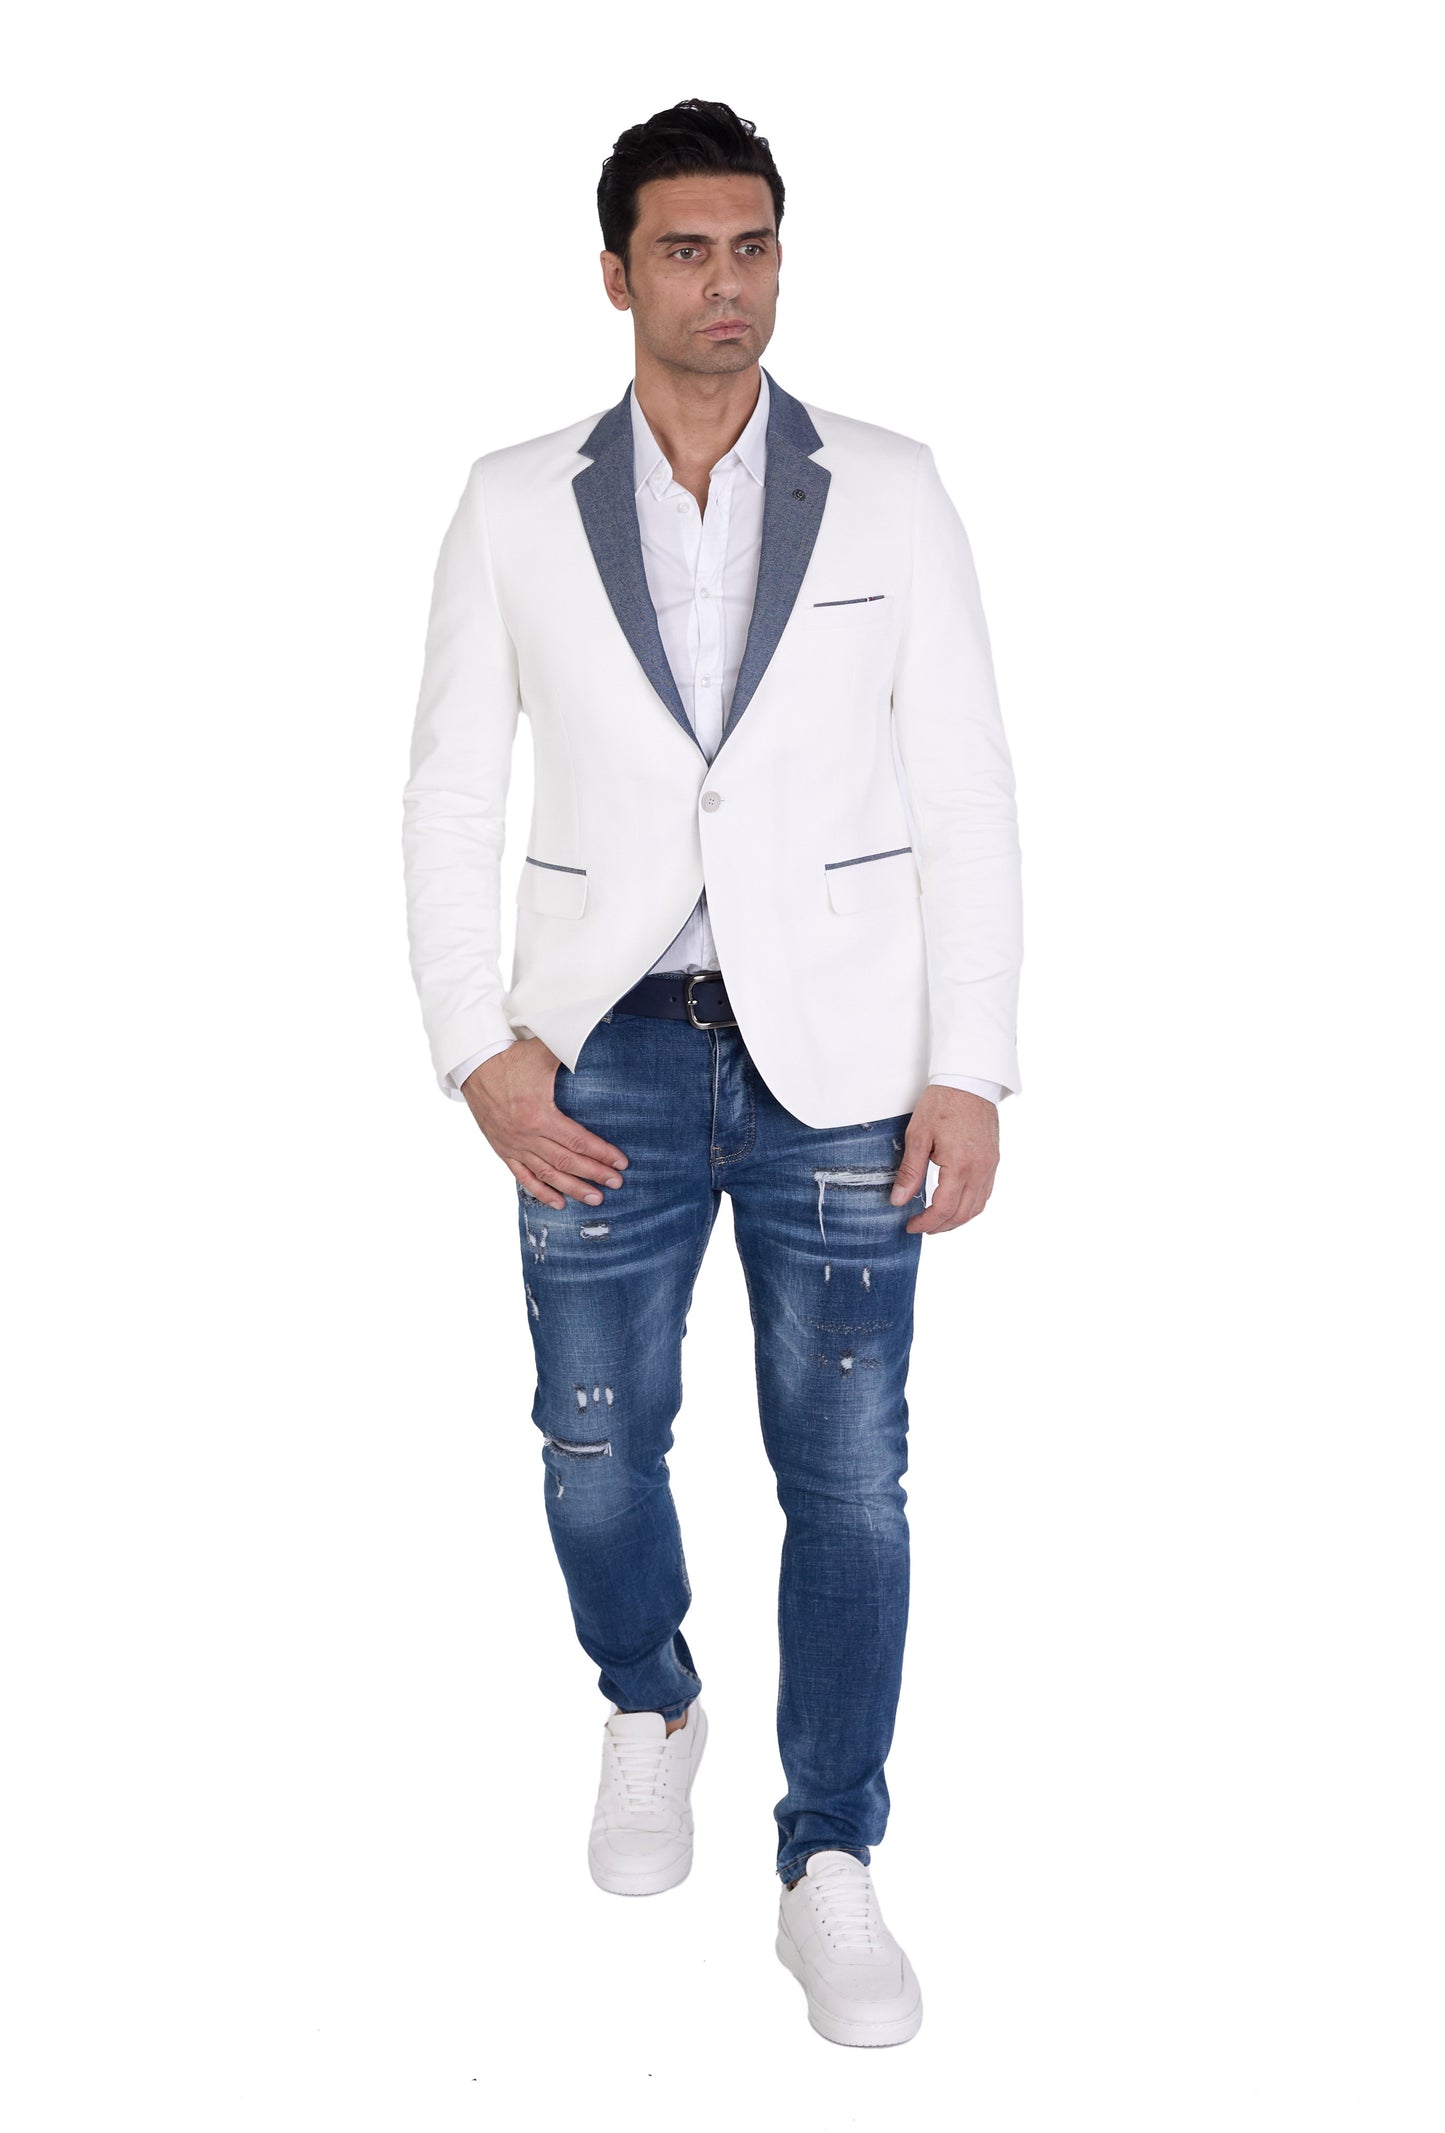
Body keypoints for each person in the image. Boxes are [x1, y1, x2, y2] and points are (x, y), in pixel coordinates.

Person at [401, 97, 1023, 2049]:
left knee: (849, 1473)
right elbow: (448, 785)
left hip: (842, 1058)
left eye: (751, 246)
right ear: (617, 273)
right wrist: (474, 1044)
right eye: (685, 249)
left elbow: (964, 784)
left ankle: (827, 1853)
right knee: (594, 1440)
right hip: (598, 1051)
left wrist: (970, 1059)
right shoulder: (513, 500)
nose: (725, 283)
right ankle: (649, 1693)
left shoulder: (890, 487)